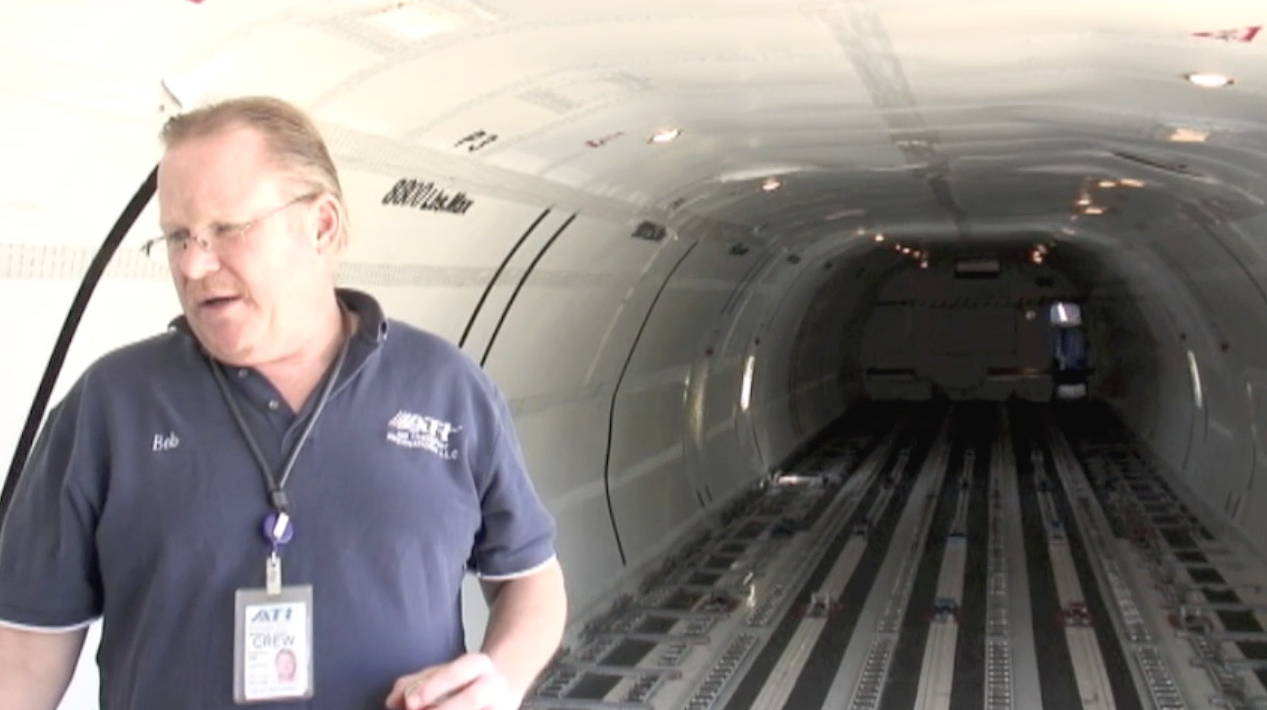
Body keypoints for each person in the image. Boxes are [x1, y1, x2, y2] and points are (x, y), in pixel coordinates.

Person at [0, 96, 567, 710]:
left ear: (320, 225)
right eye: (177, 237)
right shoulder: (111, 407)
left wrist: (501, 679)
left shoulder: (446, 389)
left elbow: (531, 581)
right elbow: (25, 651)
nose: (193, 263)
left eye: (227, 229)